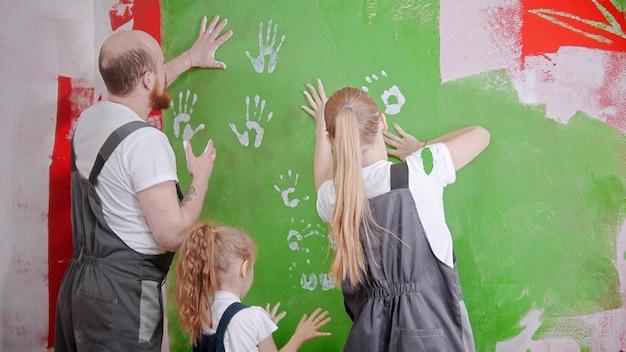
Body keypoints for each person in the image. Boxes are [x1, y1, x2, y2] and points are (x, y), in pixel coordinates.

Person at [54, 15, 233, 352]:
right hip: (121, 296)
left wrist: (192, 59)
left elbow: (142, 86)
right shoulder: (145, 143)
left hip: (80, 287)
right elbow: (171, 235)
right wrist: (202, 179)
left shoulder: (91, 118)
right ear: (149, 78)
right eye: (159, 66)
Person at [301, 78, 490, 352]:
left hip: (366, 339)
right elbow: (481, 135)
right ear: (382, 122)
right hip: (433, 335)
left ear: (333, 140)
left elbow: (321, 177)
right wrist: (421, 148)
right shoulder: (420, 171)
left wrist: (322, 129)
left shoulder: (335, 198)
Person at [175, 223, 332, 351]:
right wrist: (299, 336)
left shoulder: (201, 311)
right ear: (244, 269)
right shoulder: (254, 317)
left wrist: (261, 327)